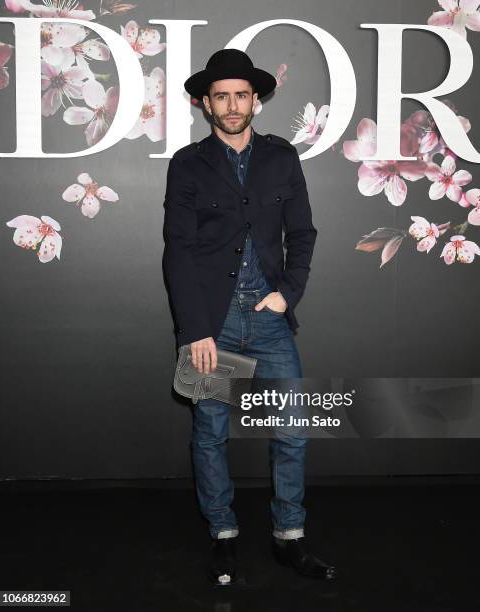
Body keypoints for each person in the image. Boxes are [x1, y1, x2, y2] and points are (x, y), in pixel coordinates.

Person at [162, 48, 337, 585]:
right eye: (221, 96)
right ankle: (223, 535)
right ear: (205, 104)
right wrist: (195, 332)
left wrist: (288, 294)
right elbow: (178, 250)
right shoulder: (188, 164)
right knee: (211, 432)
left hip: (268, 320)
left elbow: (302, 234)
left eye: (241, 94)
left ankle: (290, 538)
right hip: (212, 325)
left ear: (255, 100)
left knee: (292, 430)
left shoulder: (282, 158)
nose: (232, 105)